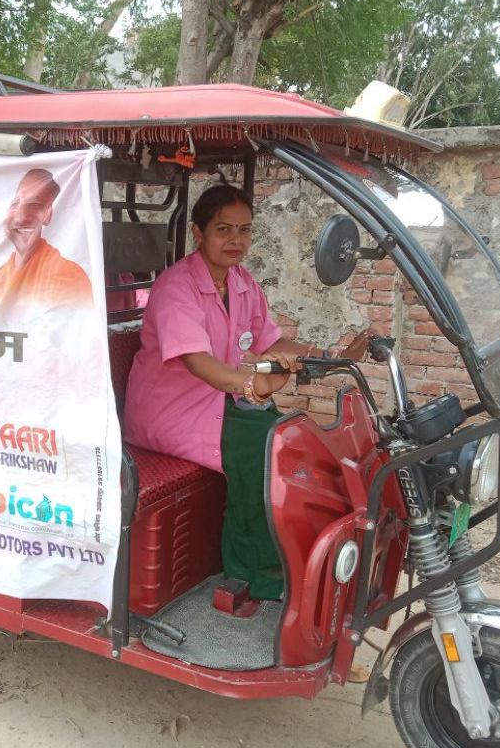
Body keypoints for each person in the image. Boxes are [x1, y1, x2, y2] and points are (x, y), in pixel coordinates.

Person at [123, 184, 372, 600]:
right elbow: (196, 360)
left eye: (245, 230)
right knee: (264, 448)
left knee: (294, 436)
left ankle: (303, 556)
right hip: (170, 413)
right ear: (199, 233)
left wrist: (332, 356)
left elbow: (272, 341)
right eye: (223, 229)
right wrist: (248, 385)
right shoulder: (176, 287)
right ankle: (252, 573)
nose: (235, 240)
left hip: (220, 402)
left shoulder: (241, 282)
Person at [0, 168, 93, 312]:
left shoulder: (70, 278)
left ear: (48, 214)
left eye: (34, 205)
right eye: (15, 204)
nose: (20, 217)